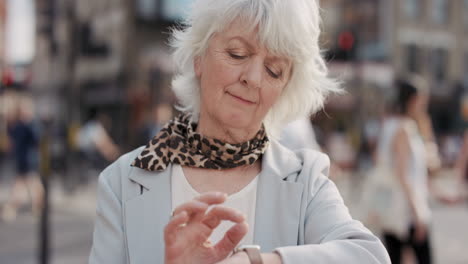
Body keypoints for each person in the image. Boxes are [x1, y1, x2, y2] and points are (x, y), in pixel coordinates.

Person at [89, 0, 390, 263]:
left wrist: (257, 262)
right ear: (199, 58)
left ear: (284, 89)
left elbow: (370, 256)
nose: (254, 78)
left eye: (274, 70)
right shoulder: (121, 183)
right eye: (237, 54)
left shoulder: (305, 180)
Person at [374, 76, 435, 264]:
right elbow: (403, 174)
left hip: (389, 210)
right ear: (413, 100)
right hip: (405, 213)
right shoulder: (404, 129)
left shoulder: (389, 125)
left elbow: (379, 160)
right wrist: (418, 212)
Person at [1, 96, 44, 221]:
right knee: (31, 184)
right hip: (22, 159)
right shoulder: (18, 125)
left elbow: (37, 139)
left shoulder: (32, 125)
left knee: (27, 184)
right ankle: (37, 206)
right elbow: (10, 142)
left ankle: (12, 208)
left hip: (31, 159)